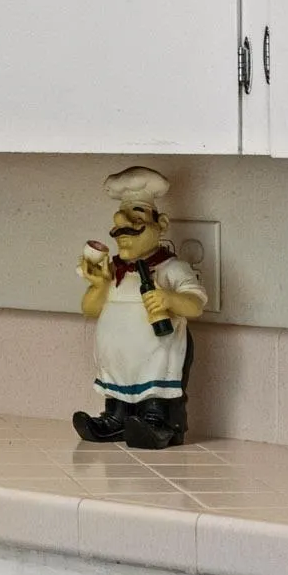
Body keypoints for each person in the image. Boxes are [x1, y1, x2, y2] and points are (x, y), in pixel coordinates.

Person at [72, 165, 206, 449]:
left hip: (156, 359)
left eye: (138, 215)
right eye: (121, 225)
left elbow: (195, 304)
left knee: (154, 392)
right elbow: (91, 309)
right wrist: (98, 286)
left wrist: (169, 299)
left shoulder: (171, 269)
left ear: (162, 224)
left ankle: (156, 422)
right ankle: (115, 418)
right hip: (117, 362)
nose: (124, 228)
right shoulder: (113, 271)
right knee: (117, 390)